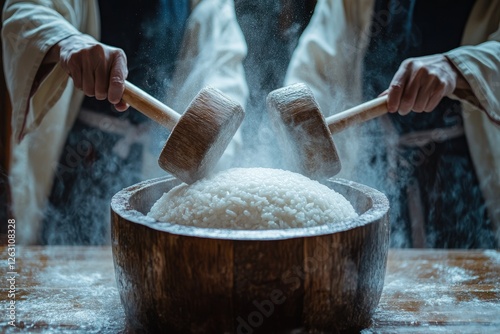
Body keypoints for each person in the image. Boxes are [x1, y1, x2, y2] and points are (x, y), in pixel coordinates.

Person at [2, 0, 248, 244]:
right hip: (75, 156)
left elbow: (223, 64)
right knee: (62, 250)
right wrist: (65, 40)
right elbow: (25, 9)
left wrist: (216, 160)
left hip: (148, 157)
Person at [284, 0, 500, 248]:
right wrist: (300, 136)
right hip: (379, 173)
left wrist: (458, 67)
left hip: (467, 178)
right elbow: (315, 72)